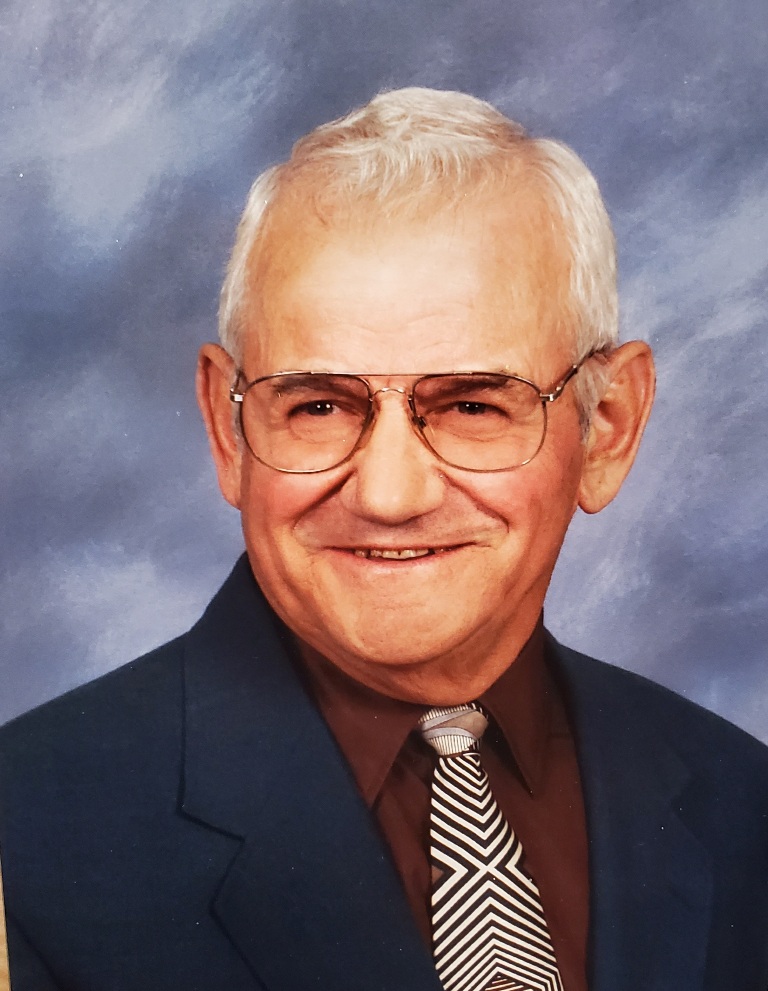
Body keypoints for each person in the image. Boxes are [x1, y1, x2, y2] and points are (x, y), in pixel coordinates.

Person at [1, 87, 767, 991]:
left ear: (606, 429)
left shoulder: (741, 803)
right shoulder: (28, 839)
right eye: (318, 406)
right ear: (227, 428)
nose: (390, 494)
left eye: (472, 405)